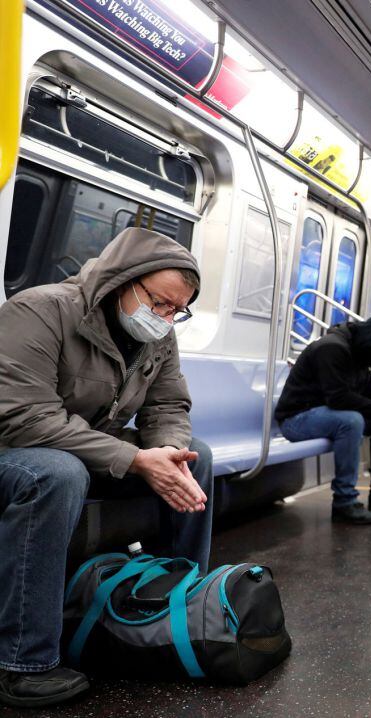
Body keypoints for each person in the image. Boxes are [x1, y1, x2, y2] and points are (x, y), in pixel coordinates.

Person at [0, 228, 213, 708]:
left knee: (197, 456)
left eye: (177, 310)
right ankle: (23, 662)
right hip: (14, 447)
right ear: (125, 281)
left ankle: (174, 610)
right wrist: (136, 460)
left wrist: (170, 453)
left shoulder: (157, 337)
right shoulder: (41, 311)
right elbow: (25, 418)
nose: (166, 319)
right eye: (159, 304)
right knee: (56, 473)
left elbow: (168, 406)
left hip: (77, 445)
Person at [275, 315, 371, 524]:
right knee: (352, 420)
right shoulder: (331, 348)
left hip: (325, 415)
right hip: (296, 419)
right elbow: (338, 398)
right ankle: (344, 501)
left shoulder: (363, 353)